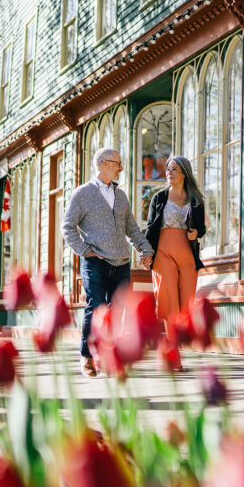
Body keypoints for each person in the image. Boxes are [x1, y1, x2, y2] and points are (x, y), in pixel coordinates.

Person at [62, 148, 154, 377]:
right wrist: (85, 250)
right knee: (95, 309)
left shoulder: (120, 195)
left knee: (118, 312)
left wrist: (145, 248)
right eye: (117, 163)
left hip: (121, 262)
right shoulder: (82, 194)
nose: (121, 168)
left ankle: (110, 356)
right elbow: (67, 227)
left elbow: (131, 229)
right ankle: (87, 357)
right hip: (96, 263)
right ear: (104, 164)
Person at [144, 156, 206, 322]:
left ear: (184, 173)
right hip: (163, 252)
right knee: (168, 295)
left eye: (174, 169)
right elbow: (150, 227)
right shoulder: (159, 198)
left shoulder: (196, 200)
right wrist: (147, 253)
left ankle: (182, 339)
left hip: (187, 252)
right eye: (168, 169)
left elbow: (201, 228)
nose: (169, 173)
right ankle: (173, 344)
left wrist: (196, 233)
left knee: (186, 299)